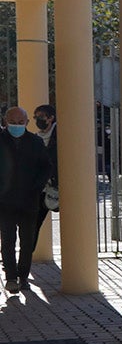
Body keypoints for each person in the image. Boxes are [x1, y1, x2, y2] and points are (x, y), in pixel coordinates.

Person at [0, 106, 51, 293]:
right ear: (5, 121)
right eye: (13, 122)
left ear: (27, 123)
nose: (16, 126)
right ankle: (11, 277)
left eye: (20, 122)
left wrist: (36, 187)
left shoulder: (35, 142)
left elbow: (46, 167)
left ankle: (23, 276)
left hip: (29, 201)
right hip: (5, 202)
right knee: (7, 240)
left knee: (27, 241)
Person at [32, 104, 58, 246]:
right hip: (42, 188)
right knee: (33, 223)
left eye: (41, 117)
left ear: (51, 118)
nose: (37, 120)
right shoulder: (36, 138)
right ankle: (26, 258)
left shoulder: (61, 134)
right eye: (35, 117)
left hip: (60, 186)